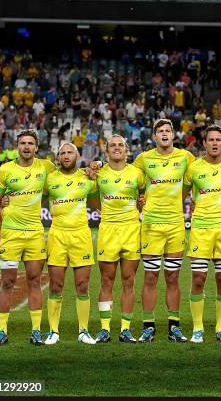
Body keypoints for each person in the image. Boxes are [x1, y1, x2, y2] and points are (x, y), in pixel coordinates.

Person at [0, 130, 56, 346]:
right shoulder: (5, 170)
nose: (26, 146)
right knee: (7, 281)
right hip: (10, 235)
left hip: (35, 234)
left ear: (36, 147)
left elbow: (63, 179)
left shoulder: (46, 167)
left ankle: (36, 331)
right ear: (16, 146)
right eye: (22, 143)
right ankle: (1, 331)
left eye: (30, 143)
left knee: (35, 280)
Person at [132, 119, 195, 343]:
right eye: (160, 131)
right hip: (150, 225)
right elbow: (129, 180)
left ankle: (174, 326)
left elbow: (200, 173)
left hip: (176, 225)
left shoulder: (186, 157)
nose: (165, 133)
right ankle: (148, 326)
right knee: (150, 277)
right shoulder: (143, 158)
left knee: (172, 276)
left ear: (173, 135)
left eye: (168, 130)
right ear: (155, 137)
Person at [183, 125, 221, 343]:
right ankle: (197, 328)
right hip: (201, 230)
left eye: (218, 140)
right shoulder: (193, 168)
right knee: (198, 279)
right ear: (204, 143)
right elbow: (182, 194)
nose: (215, 143)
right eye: (210, 140)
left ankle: (220, 328)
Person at [43, 142, 99, 345]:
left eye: (70, 152)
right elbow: (33, 200)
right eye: (62, 153)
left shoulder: (87, 178)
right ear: (58, 157)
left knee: (82, 286)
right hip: (57, 236)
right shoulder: (49, 179)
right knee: (56, 285)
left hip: (81, 236)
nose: (66, 155)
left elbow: (100, 204)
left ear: (77, 155)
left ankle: (83, 330)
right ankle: (53, 331)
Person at [94, 135, 146, 343]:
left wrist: (141, 203)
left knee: (129, 281)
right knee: (106, 280)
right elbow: (89, 195)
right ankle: (105, 328)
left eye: (120, 145)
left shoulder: (137, 174)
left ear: (127, 150)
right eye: (112, 145)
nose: (117, 148)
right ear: (106, 151)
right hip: (108, 231)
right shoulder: (97, 174)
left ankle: (125, 329)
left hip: (132, 231)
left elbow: (144, 195)